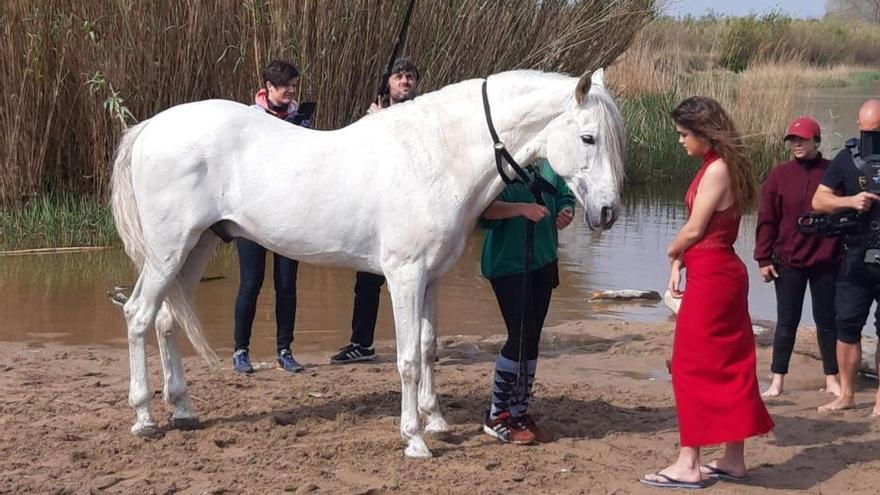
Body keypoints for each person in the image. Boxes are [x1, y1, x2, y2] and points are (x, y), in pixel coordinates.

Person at [641, 96, 774, 489]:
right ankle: (733, 459)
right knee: (729, 363)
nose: (681, 141)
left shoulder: (716, 169)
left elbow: (697, 228)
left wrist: (671, 250)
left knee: (691, 365)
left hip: (715, 276)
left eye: (684, 135)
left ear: (703, 132)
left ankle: (689, 462)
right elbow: (705, 232)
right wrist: (682, 259)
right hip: (718, 270)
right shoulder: (718, 165)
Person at [330, 58, 420, 364]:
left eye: (409, 77)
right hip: (378, 210)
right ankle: (361, 343)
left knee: (415, 280)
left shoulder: (422, 114)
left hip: (411, 212)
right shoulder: (374, 114)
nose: (405, 81)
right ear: (389, 84)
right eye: (399, 76)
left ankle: (417, 342)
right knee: (367, 279)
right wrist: (371, 124)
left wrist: (386, 122)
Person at [479, 159, 574, 445]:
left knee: (532, 338)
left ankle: (519, 411)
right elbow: (484, 211)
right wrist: (522, 209)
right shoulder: (502, 169)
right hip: (508, 264)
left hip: (543, 260)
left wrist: (566, 211)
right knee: (519, 335)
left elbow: (564, 194)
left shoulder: (549, 167)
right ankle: (497, 415)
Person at [754, 116, 841, 398]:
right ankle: (777, 382)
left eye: (802, 139)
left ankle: (832, 380)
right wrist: (763, 259)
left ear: (816, 141)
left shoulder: (832, 172)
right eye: (792, 140)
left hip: (826, 261)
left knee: (827, 321)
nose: (796, 144)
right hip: (788, 261)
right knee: (786, 322)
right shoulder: (780, 175)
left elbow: (847, 214)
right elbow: (767, 219)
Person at [232, 60, 310, 374]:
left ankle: (285, 350)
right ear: (268, 87)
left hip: (289, 214)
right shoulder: (248, 119)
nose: (291, 92)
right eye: (286, 86)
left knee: (287, 283)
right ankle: (240, 351)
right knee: (251, 282)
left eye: (293, 86)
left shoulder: (300, 117)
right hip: (250, 215)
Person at [811, 98, 880, 415]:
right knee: (846, 326)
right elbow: (819, 201)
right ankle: (847, 395)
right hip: (855, 258)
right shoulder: (846, 158)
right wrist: (851, 201)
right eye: (867, 131)